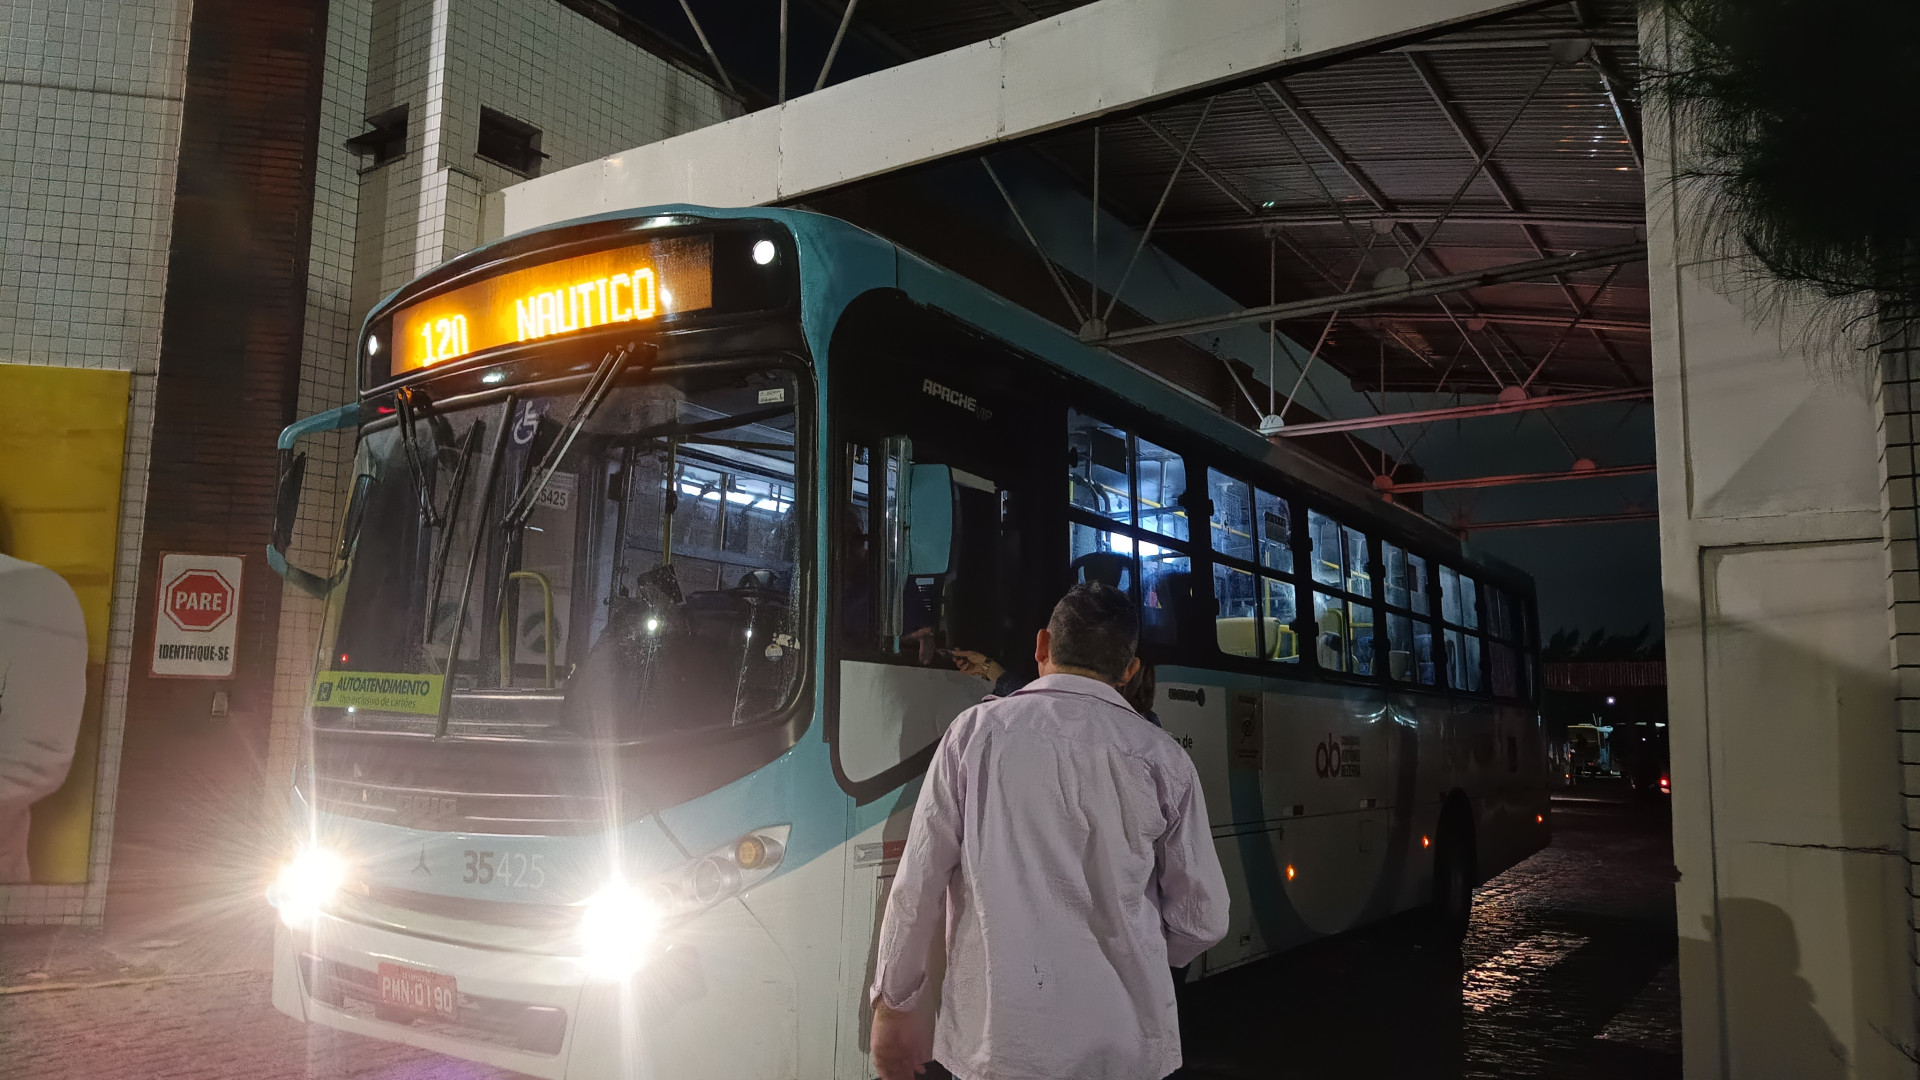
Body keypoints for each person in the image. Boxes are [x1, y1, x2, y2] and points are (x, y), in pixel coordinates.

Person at [869, 583, 1230, 1080]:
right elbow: (1204, 921)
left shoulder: (975, 734)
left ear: (1042, 646)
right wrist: (1135, 950)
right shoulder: (1163, 758)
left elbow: (919, 886)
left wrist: (894, 1004)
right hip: (1125, 1053)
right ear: (1128, 671)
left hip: (997, 1048)